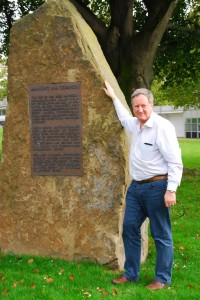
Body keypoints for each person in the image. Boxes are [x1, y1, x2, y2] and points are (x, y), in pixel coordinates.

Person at [103, 81, 183, 290]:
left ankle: (162, 278)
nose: (140, 110)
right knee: (129, 227)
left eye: (143, 106)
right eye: (136, 106)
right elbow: (123, 117)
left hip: (157, 187)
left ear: (152, 105)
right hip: (136, 188)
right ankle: (131, 274)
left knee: (161, 234)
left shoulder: (163, 127)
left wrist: (171, 189)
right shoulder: (134, 124)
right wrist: (113, 97)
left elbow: (175, 162)